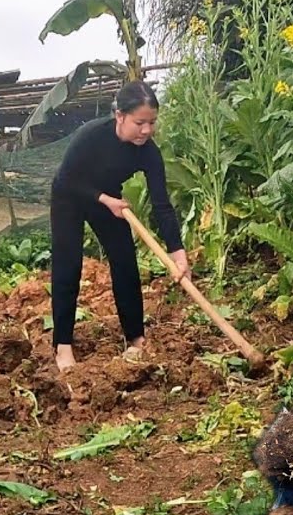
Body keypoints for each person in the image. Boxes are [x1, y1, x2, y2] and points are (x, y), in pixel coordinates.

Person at [47, 81, 191, 372]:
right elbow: (66, 180)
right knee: (68, 265)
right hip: (70, 196)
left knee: (125, 262)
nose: (147, 130)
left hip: (109, 199)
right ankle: (63, 345)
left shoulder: (149, 153)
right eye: (140, 123)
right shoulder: (91, 136)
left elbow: (162, 204)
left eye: (152, 122)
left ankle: (135, 339)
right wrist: (103, 199)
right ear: (120, 116)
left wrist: (177, 252)